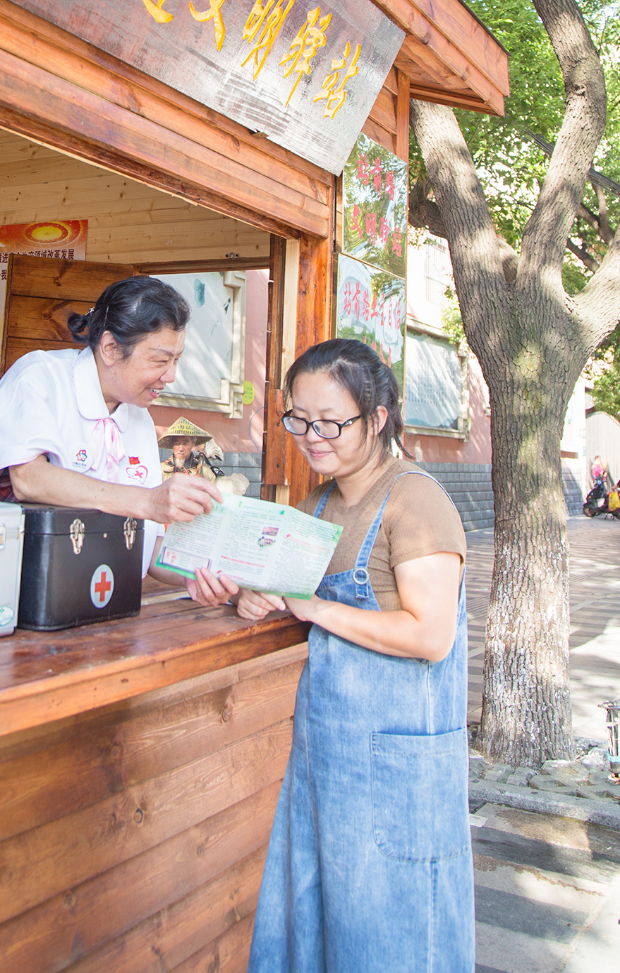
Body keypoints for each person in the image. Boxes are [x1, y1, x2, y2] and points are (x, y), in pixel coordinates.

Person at [193, 337, 472, 972]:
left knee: (393, 944)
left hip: (398, 772)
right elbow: (285, 600)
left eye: (331, 422)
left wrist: (313, 607)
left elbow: (430, 635)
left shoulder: (415, 501)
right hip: (325, 763)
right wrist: (255, 599)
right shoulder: (317, 506)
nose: (312, 437)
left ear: (377, 419)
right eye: (299, 420)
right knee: (317, 936)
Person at [0, 275, 218, 575]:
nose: (170, 376)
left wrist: (213, 576)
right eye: (161, 361)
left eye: (177, 360)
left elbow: (149, 548)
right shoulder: (40, 376)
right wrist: (147, 501)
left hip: (85, 588)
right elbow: (28, 479)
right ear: (110, 347)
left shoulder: (139, 418)